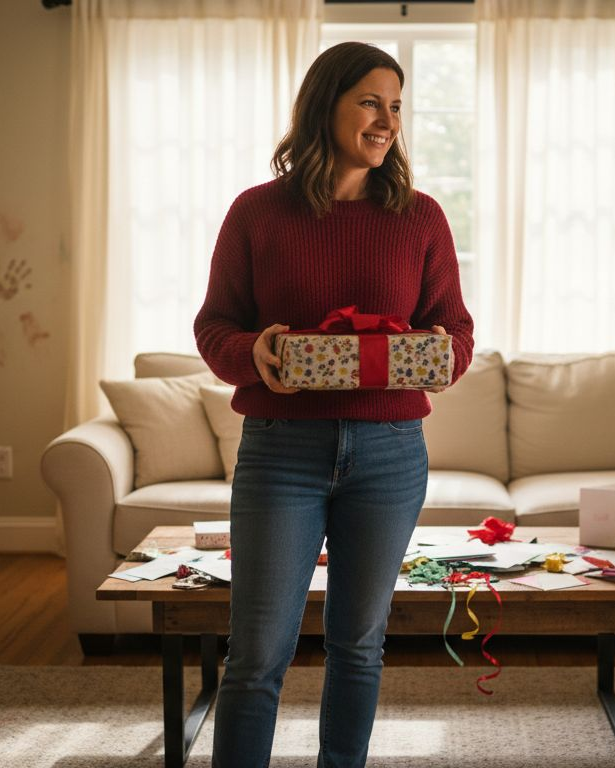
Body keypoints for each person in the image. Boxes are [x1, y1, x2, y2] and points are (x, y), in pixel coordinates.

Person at [193, 42, 473, 768]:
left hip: (390, 455)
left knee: (358, 646)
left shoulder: (420, 217)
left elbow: (458, 329)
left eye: (397, 107)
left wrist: (440, 359)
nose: (387, 122)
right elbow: (214, 325)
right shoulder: (257, 213)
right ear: (327, 105)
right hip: (281, 449)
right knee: (257, 653)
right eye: (371, 103)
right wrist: (254, 352)